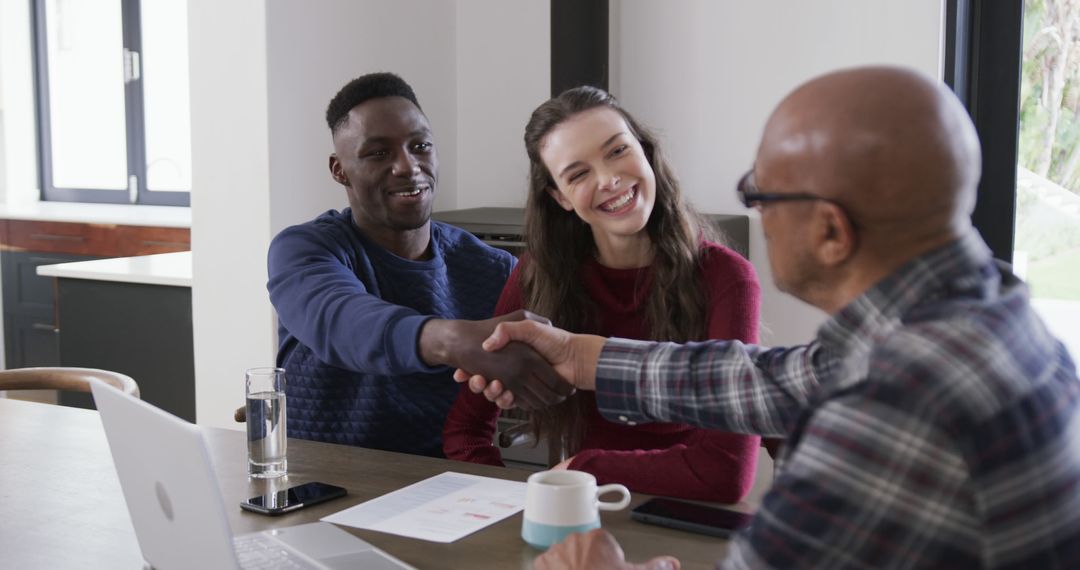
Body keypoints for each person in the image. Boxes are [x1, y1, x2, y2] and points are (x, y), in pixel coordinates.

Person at [463, 66, 1080, 568]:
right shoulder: (987, 319)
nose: (753, 213)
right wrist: (580, 356)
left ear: (830, 230)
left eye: (760, 193)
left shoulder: (889, 413)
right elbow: (773, 377)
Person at [442, 86, 762, 502]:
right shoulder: (539, 275)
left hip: (687, 518)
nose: (609, 180)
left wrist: (581, 470)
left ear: (645, 151)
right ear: (560, 198)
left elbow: (726, 471)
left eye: (617, 151)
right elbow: (465, 430)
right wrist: (515, 505)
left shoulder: (727, 277)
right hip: (583, 513)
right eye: (578, 174)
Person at [266, 72, 569, 458]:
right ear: (339, 169)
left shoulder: (492, 269)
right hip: (318, 487)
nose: (408, 167)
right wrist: (456, 341)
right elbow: (341, 321)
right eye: (378, 153)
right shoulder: (304, 249)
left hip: (437, 491)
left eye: (420, 146)